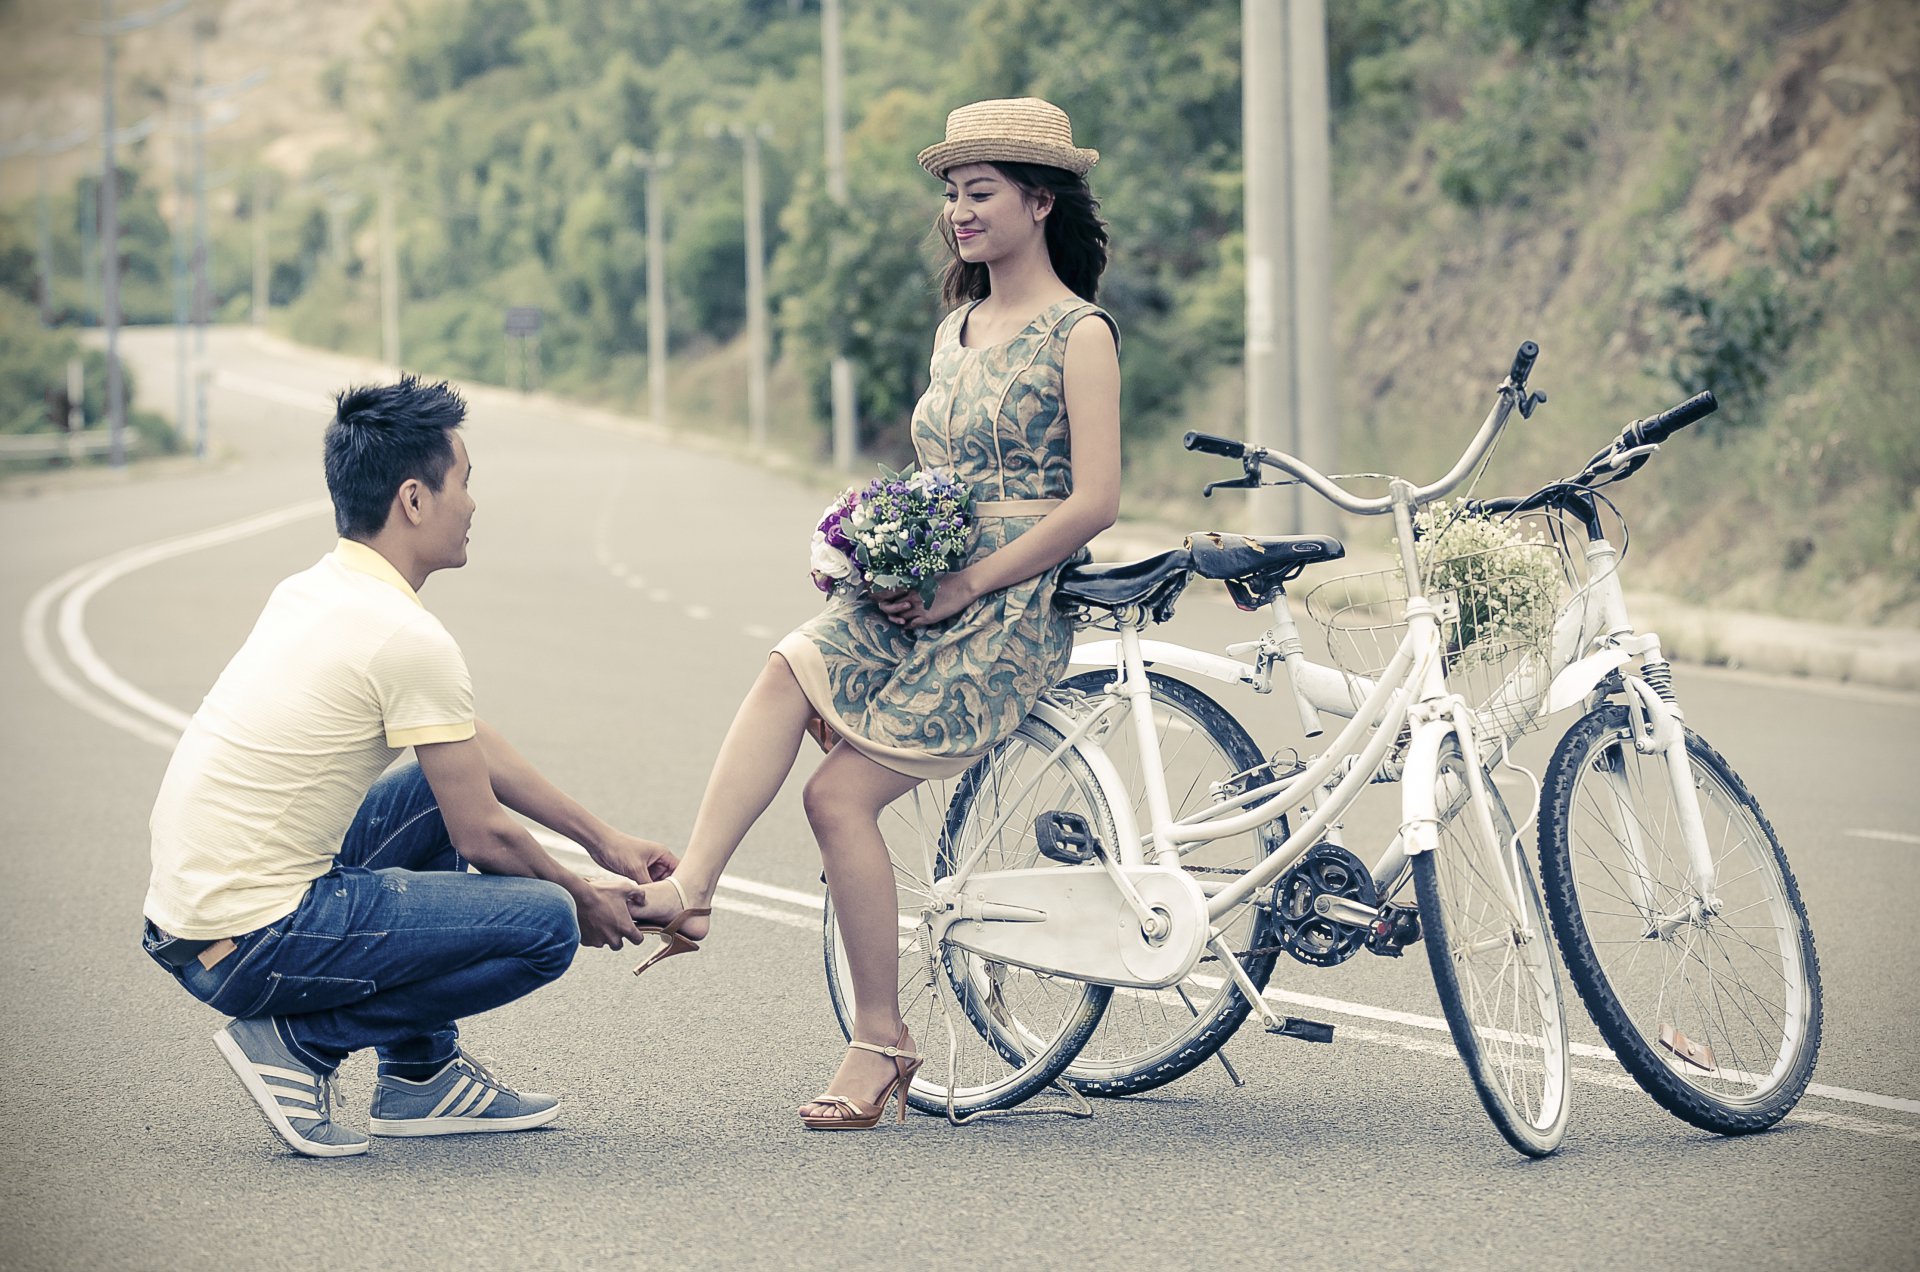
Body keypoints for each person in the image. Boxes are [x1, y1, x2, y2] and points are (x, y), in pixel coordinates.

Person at [626, 97, 1121, 1130]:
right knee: (787, 666)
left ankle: (881, 1039)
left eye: (979, 193)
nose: (959, 213)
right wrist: (872, 545)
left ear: (1039, 202)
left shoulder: (1081, 334)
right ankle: (695, 885)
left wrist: (968, 584)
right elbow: (938, 474)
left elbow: (1095, 503)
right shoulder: (956, 331)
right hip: (921, 585)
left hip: (1008, 602)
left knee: (837, 797)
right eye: (952, 195)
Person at [141, 376, 675, 1158]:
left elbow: (463, 744)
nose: (473, 504)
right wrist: (582, 895)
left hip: (193, 922)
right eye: (465, 482)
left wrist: (605, 842)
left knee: (435, 788)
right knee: (546, 925)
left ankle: (422, 1075)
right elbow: (485, 836)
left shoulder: (318, 588)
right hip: (249, 940)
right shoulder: (405, 636)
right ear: (415, 499)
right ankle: (300, 1043)